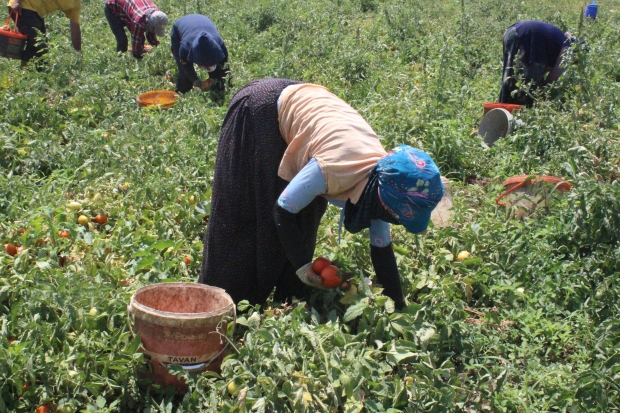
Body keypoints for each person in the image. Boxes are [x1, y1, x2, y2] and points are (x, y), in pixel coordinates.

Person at [199, 78, 444, 310]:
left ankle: (288, 299)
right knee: (253, 211)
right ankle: (227, 303)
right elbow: (282, 210)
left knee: (307, 212)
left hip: (309, 105)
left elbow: (381, 249)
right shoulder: (336, 166)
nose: (390, 218)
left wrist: (398, 305)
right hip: (262, 109)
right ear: (387, 199)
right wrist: (304, 267)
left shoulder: (384, 186)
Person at [498, 20, 575, 107]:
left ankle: (499, 111)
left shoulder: (560, 41)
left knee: (509, 79)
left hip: (512, 31)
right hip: (529, 39)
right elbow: (552, 79)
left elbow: (546, 68)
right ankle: (514, 115)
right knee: (524, 90)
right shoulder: (568, 51)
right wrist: (542, 94)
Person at [7, 0, 81, 69]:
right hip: (22, 6)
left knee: (42, 52)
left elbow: (75, 28)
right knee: (38, 43)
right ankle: (24, 75)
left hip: (35, 14)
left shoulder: (74, 3)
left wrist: (79, 55)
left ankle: (32, 76)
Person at [170, 14, 229, 95]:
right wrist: (195, 81)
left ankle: (216, 90)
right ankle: (183, 91)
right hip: (180, 27)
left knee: (218, 75)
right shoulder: (185, 47)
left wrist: (215, 79)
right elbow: (185, 65)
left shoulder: (220, 45)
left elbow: (224, 66)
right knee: (184, 75)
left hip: (202, 21)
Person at [104, 0, 168, 59]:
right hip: (113, 7)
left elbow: (151, 31)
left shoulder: (157, 15)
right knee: (122, 40)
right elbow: (136, 51)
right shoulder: (138, 21)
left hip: (129, 8)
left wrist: (157, 49)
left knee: (141, 39)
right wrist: (142, 56)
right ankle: (120, 61)